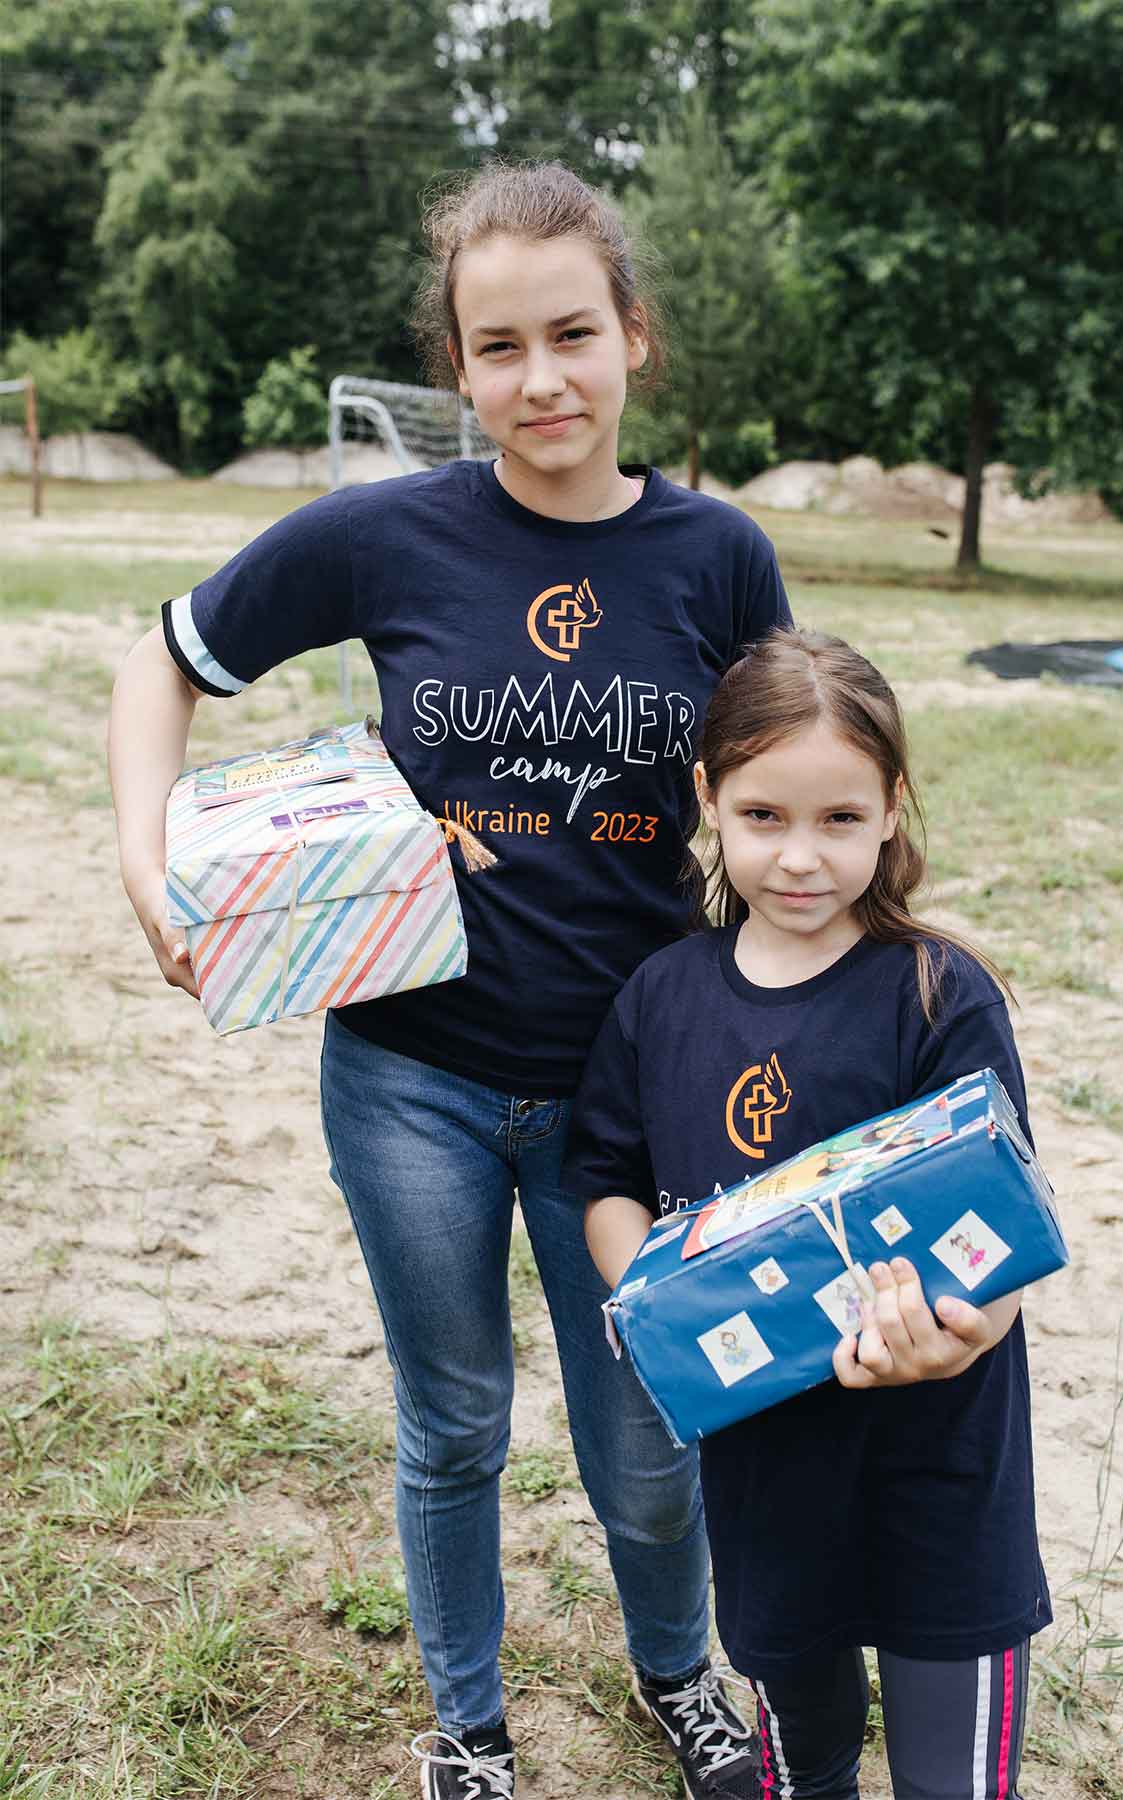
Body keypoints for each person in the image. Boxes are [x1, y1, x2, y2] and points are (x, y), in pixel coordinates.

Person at [107, 161, 791, 1800]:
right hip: (410, 1079)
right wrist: (149, 858)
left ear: (634, 337)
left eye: (573, 334)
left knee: (649, 1436)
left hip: (630, 1096)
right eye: (499, 347)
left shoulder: (719, 556)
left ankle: (679, 1675)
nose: (541, 379)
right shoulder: (385, 535)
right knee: (457, 1425)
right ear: (457, 366)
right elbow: (163, 662)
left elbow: (786, 785)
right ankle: (468, 1731)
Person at [566, 628, 1052, 1799]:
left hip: (942, 1476)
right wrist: (653, 1297)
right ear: (708, 801)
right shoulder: (662, 997)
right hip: (769, 1482)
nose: (799, 857)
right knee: (804, 1765)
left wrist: (960, 1336)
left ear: (892, 808)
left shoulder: (939, 993)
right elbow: (607, 1176)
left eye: (839, 818)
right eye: (762, 816)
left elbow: (1006, 1226)